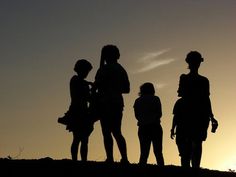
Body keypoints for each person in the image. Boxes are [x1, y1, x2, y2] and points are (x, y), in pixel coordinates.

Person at [175, 51, 218, 168]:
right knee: (195, 142)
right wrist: (211, 116)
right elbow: (206, 99)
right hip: (197, 114)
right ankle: (194, 168)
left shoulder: (186, 78)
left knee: (190, 143)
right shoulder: (203, 80)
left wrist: (211, 116)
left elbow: (182, 94)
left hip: (192, 113)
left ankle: (191, 168)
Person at [93, 44, 130, 164]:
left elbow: (96, 86)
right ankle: (124, 158)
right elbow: (127, 89)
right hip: (117, 103)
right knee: (117, 132)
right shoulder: (121, 69)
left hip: (105, 103)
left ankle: (110, 158)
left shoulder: (103, 69)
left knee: (106, 132)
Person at [58, 59, 94, 161]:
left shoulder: (77, 81)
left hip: (78, 111)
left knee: (80, 139)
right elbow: (87, 96)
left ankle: (80, 160)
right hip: (79, 111)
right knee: (80, 139)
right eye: (86, 71)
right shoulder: (77, 81)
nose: (87, 73)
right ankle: (78, 160)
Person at [133, 82, 165, 166]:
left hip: (143, 127)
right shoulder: (156, 99)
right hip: (155, 127)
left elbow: (136, 115)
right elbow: (159, 113)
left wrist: (144, 119)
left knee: (144, 152)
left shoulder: (137, 101)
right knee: (158, 152)